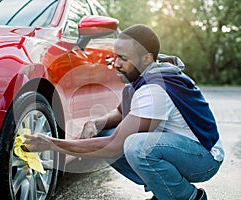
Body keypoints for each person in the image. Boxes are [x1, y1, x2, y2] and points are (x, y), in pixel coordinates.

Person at [22, 24, 224, 200]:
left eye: (124, 58)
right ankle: (164, 190)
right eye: (115, 56)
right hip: (179, 149)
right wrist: (97, 123)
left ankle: (187, 197)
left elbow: (113, 147)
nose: (116, 64)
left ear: (146, 58)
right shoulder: (143, 78)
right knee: (108, 133)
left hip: (204, 159)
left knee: (136, 146)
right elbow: (119, 113)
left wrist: (52, 144)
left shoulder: (154, 89)